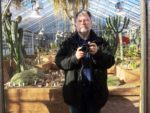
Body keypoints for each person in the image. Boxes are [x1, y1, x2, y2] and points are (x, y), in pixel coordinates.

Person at [55, 9, 115, 113]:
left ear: (91, 23)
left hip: (95, 93)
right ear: (76, 24)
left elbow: (110, 61)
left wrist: (97, 53)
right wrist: (75, 58)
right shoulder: (67, 43)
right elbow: (59, 62)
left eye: (86, 20)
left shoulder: (101, 43)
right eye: (80, 20)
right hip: (75, 93)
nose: (83, 23)